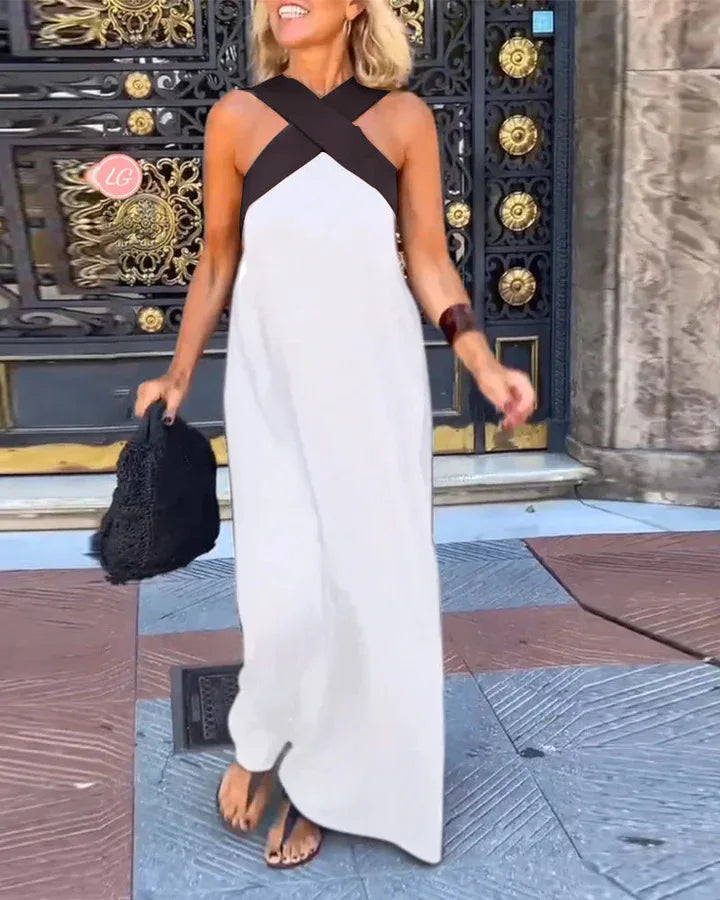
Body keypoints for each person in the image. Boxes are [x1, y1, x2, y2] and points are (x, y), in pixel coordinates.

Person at [136, 0, 534, 871]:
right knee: (283, 584)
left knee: (371, 583)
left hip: (374, 386)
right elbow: (218, 259)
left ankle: (320, 785)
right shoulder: (237, 117)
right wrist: (178, 372)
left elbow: (428, 259)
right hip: (272, 385)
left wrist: (480, 360)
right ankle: (262, 736)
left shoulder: (405, 119)